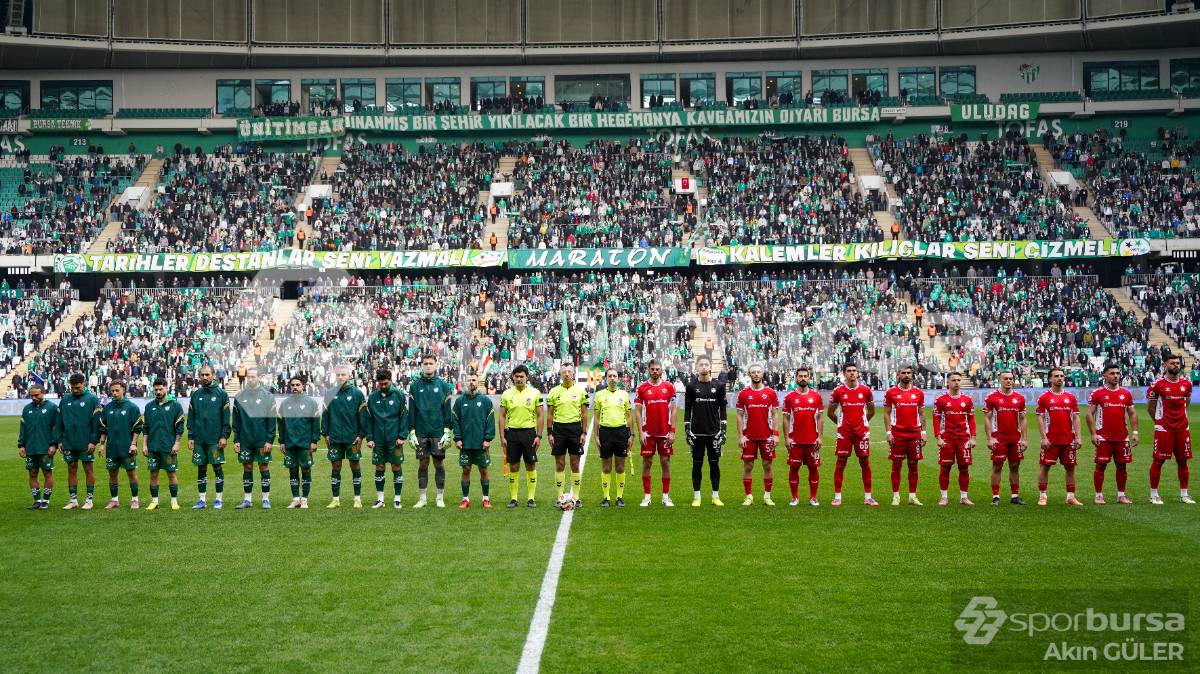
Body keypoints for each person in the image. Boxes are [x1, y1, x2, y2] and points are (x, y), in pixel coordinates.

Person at [407, 354, 454, 509]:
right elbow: (411, 411)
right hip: (420, 431)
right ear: (422, 365)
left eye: (431, 363)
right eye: (425, 363)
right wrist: (412, 431)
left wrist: (447, 430)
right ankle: (422, 498)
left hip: (438, 431)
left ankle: (439, 497)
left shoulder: (443, 386)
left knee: (439, 463)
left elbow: (447, 410)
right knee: (423, 463)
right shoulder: (414, 386)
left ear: (436, 365)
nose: (428, 366)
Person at [1087, 364, 1138, 506]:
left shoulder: (1126, 394)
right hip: (1103, 437)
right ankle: (1098, 495)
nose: (1115, 376)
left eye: (1117, 373)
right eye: (1112, 373)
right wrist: (1093, 434)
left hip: (1122, 437)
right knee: (1101, 466)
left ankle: (1121, 495)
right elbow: (1089, 414)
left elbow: (1132, 413)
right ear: (1104, 376)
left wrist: (1135, 432)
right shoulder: (1097, 393)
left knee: (1122, 466)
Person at [1147, 354, 1194, 505]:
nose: (1176, 365)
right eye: (1172, 363)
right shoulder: (1157, 384)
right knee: (1159, 461)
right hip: (1164, 429)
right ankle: (1153, 494)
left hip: (1182, 428)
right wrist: (1159, 422)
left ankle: (1184, 494)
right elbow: (1151, 407)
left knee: (1183, 461)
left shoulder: (1186, 384)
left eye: (1177, 363)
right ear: (1165, 365)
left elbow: (1186, 403)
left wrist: (1180, 419)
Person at [827, 364, 877, 507]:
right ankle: (837, 497)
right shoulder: (838, 391)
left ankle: (868, 497)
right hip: (844, 434)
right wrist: (841, 424)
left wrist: (864, 422)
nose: (852, 373)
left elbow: (871, 410)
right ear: (844, 374)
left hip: (861, 434)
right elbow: (830, 413)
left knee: (865, 463)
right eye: (849, 371)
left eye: (854, 371)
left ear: (858, 373)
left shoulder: (865, 390)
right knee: (841, 463)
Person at [322, 364, 368, 509]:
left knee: (354, 465)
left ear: (349, 376)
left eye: (343, 374)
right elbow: (325, 416)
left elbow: (363, 416)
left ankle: (357, 498)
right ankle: (335, 499)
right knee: (335, 466)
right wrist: (326, 434)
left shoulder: (357, 393)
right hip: (335, 437)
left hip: (352, 437)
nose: (341, 377)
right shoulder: (329, 393)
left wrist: (361, 435)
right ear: (335, 376)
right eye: (338, 375)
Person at [1036, 367, 1083, 507]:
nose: (1060, 378)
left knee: (1070, 468)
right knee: (1045, 467)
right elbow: (1040, 418)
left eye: (1062, 376)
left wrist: (1079, 437)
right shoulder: (1044, 398)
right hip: (1051, 440)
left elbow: (1076, 418)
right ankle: (1043, 496)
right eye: (1056, 376)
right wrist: (1044, 437)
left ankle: (1070, 497)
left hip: (1068, 439)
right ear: (1050, 379)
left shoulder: (1071, 397)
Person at [498, 364, 543, 508]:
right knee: (514, 466)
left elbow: (541, 415)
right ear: (513, 377)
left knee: (530, 465)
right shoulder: (506, 394)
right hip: (512, 433)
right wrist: (502, 436)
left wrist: (539, 436)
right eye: (516, 376)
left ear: (526, 377)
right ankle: (514, 498)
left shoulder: (535, 393)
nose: (519, 379)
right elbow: (501, 416)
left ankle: (531, 498)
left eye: (521, 376)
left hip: (529, 433)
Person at [684, 356, 726, 507]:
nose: (703, 367)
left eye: (706, 364)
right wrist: (687, 429)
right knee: (697, 464)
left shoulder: (719, 386)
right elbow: (687, 408)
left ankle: (715, 496)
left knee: (714, 464)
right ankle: (697, 497)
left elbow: (723, 408)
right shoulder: (690, 386)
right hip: (697, 433)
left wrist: (724, 429)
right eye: (700, 364)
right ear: (696, 367)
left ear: (710, 367)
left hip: (714, 432)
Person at [233, 368, 277, 509]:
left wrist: (270, 440)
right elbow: (236, 421)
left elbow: (271, 421)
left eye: (253, 377)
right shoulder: (239, 396)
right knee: (247, 466)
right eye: (249, 377)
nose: (250, 379)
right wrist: (236, 440)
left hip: (261, 439)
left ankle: (265, 499)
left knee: (263, 466)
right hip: (245, 439)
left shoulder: (268, 396)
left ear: (259, 377)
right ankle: (247, 500)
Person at [547, 363, 589, 508]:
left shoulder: (581, 391)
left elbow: (584, 414)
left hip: (575, 429)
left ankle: (576, 497)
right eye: (564, 371)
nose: (566, 374)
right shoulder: (553, 392)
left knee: (575, 464)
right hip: (558, 430)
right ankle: (560, 497)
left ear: (573, 374)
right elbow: (550, 414)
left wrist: (584, 432)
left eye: (569, 371)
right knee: (559, 464)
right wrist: (549, 433)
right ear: (560, 374)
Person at [188, 365, 231, 509]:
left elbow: (226, 418)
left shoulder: (221, 394)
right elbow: (191, 418)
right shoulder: (196, 394)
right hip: (199, 439)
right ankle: (202, 500)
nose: (205, 377)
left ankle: (218, 499)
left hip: (215, 439)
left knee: (217, 468)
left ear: (213, 375)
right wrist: (191, 437)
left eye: (207, 374)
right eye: (202, 375)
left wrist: (224, 436)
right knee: (201, 468)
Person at [736, 364, 779, 507]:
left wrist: (776, 434)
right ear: (749, 374)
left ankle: (767, 496)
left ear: (762, 374)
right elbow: (740, 416)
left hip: (767, 436)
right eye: (753, 372)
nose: (756, 374)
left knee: (767, 465)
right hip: (749, 436)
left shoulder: (770, 393)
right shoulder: (743, 393)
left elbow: (774, 414)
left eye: (758, 372)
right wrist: (741, 436)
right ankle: (748, 496)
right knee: (748, 466)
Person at [636, 359, 677, 507]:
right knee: (647, 462)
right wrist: (640, 432)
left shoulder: (669, 387)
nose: (655, 371)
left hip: (665, 433)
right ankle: (647, 496)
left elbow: (674, 410)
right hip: (648, 433)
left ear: (662, 370)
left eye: (657, 369)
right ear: (648, 370)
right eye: (652, 369)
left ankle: (666, 496)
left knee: (665, 462)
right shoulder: (641, 388)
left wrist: (672, 431)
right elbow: (639, 413)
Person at [883, 365, 926, 507]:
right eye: (903, 373)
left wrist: (923, 432)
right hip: (898, 435)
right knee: (896, 466)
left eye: (908, 373)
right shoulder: (891, 393)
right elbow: (887, 413)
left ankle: (912, 496)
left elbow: (921, 414)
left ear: (912, 374)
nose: (906, 375)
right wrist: (888, 432)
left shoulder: (918, 393)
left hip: (914, 435)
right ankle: (896, 496)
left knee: (914, 465)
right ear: (898, 375)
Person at [983, 371, 1028, 506]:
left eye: (1011, 378)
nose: (1009, 381)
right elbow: (987, 418)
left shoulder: (1019, 397)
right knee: (997, 466)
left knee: (1015, 466)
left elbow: (1023, 418)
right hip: (999, 438)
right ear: (1000, 380)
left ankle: (1015, 496)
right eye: (1006, 379)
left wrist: (1024, 439)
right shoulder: (991, 397)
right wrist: (989, 438)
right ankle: (995, 496)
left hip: (1015, 439)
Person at [58, 372, 102, 510]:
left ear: (84, 384)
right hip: (68, 442)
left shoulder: (92, 399)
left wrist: (93, 441)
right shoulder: (65, 400)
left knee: (88, 469)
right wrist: (59, 440)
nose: (75, 390)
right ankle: (73, 500)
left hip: (85, 442)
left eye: (78, 387)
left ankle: (89, 500)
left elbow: (97, 423)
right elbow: (59, 422)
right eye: (73, 388)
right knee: (71, 469)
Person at [591, 368, 634, 507]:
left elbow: (629, 416)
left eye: (615, 376)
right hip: (605, 433)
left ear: (618, 378)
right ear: (605, 378)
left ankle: (619, 497)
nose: (612, 378)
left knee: (620, 467)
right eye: (610, 376)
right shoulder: (599, 395)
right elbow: (596, 418)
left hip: (621, 432)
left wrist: (631, 435)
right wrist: (596, 436)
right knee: (606, 467)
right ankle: (606, 497)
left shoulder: (624, 395)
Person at [367, 369, 409, 509]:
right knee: (379, 467)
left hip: (394, 439)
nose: (383, 386)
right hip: (378, 440)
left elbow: (404, 417)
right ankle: (380, 499)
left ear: (391, 380)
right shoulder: (373, 397)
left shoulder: (399, 395)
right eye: (381, 384)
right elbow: (370, 419)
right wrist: (370, 438)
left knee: (396, 466)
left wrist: (402, 436)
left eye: (385, 383)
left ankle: (397, 498)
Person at [452, 372, 495, 509]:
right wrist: (457, 438)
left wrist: (488, 439)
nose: (471, 382)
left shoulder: (486, 401)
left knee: (483, 470)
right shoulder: (459, 401)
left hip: (481, 443)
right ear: (466, 382)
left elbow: (490, 421)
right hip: (465, 443)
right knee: (466, 469)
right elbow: (455, 421)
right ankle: (465, 499)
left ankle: (486, 498)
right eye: (469, 380)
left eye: (474, 380)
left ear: (478, 382)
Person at [933, 372, 976, 506]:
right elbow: (936, 418)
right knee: (945, 468)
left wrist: (973, 437)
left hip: (963, 438)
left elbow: (971, 419)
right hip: (947, 438)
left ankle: (964, 497)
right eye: (954, 380)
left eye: (958, 380)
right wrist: (938, 437)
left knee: (964, 468)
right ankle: (944, 496)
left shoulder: (967, 399)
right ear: (948, 382)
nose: (956, 382)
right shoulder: (941, 399)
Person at [782, 366, 823, 507]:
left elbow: (820, 418)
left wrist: (820, 437)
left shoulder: (816, 396)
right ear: (796, 378)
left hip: (812, 440)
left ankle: (813, 497)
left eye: (805, 376)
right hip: (795, 440)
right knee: (794, 468)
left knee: (813, 468)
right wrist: (786, 437)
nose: (803, 378)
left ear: (809, 377)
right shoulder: (789, 397)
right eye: (800, 376)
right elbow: (786, 418)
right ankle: (794, 497)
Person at [278, 376, 320, 509]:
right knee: (293, 470)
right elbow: (281, 424)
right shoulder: (285, 403)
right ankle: (295, 499)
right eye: (293, 385)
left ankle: (305, 499)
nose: (295, 387)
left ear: (303, 386)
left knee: (306, 469)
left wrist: (314, 441)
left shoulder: (311, 403)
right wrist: (282, 441)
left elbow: (315, 423)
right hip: (290, 443)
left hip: (305, 443)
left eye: (297, 385)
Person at [100, 380, 143, 510]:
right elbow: (103, 429)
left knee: (131, 473)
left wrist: (134, 444)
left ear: (124, 389)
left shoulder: (132, 407)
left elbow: (137, 428)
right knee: (112, 474)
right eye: (112, 391)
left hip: (127, 447)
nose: (114, 393)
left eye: (117, 390)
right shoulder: (107, 408)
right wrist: (102, 445)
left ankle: (135, 499)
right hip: (112, 448)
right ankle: (114, 500)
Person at [142, 378, 184, 511]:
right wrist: (144, 445)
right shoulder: (149, 406)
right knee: (153, 474)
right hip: (153, 447)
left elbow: (180, 427)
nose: (158, 392)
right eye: (156, 390)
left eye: (161, 389)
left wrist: (176, 443)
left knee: (171, 474)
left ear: (166, 388)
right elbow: (146, 427)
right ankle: (154, 501)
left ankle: (174, 501)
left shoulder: (175, 405)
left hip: (168, 446)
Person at [18, 384, 59, 510]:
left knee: (47, 473)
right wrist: (21, 445)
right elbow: (23, 428)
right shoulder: (26, 409)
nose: (34, 397)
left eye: (36, 395)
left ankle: (45, 501)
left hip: (45, 447)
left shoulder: (52, 408)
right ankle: (37, 501)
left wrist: (54, 444)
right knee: (32, 473)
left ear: (43, 393)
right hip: (30, 447)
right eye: (32, 395)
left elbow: (57, 428)